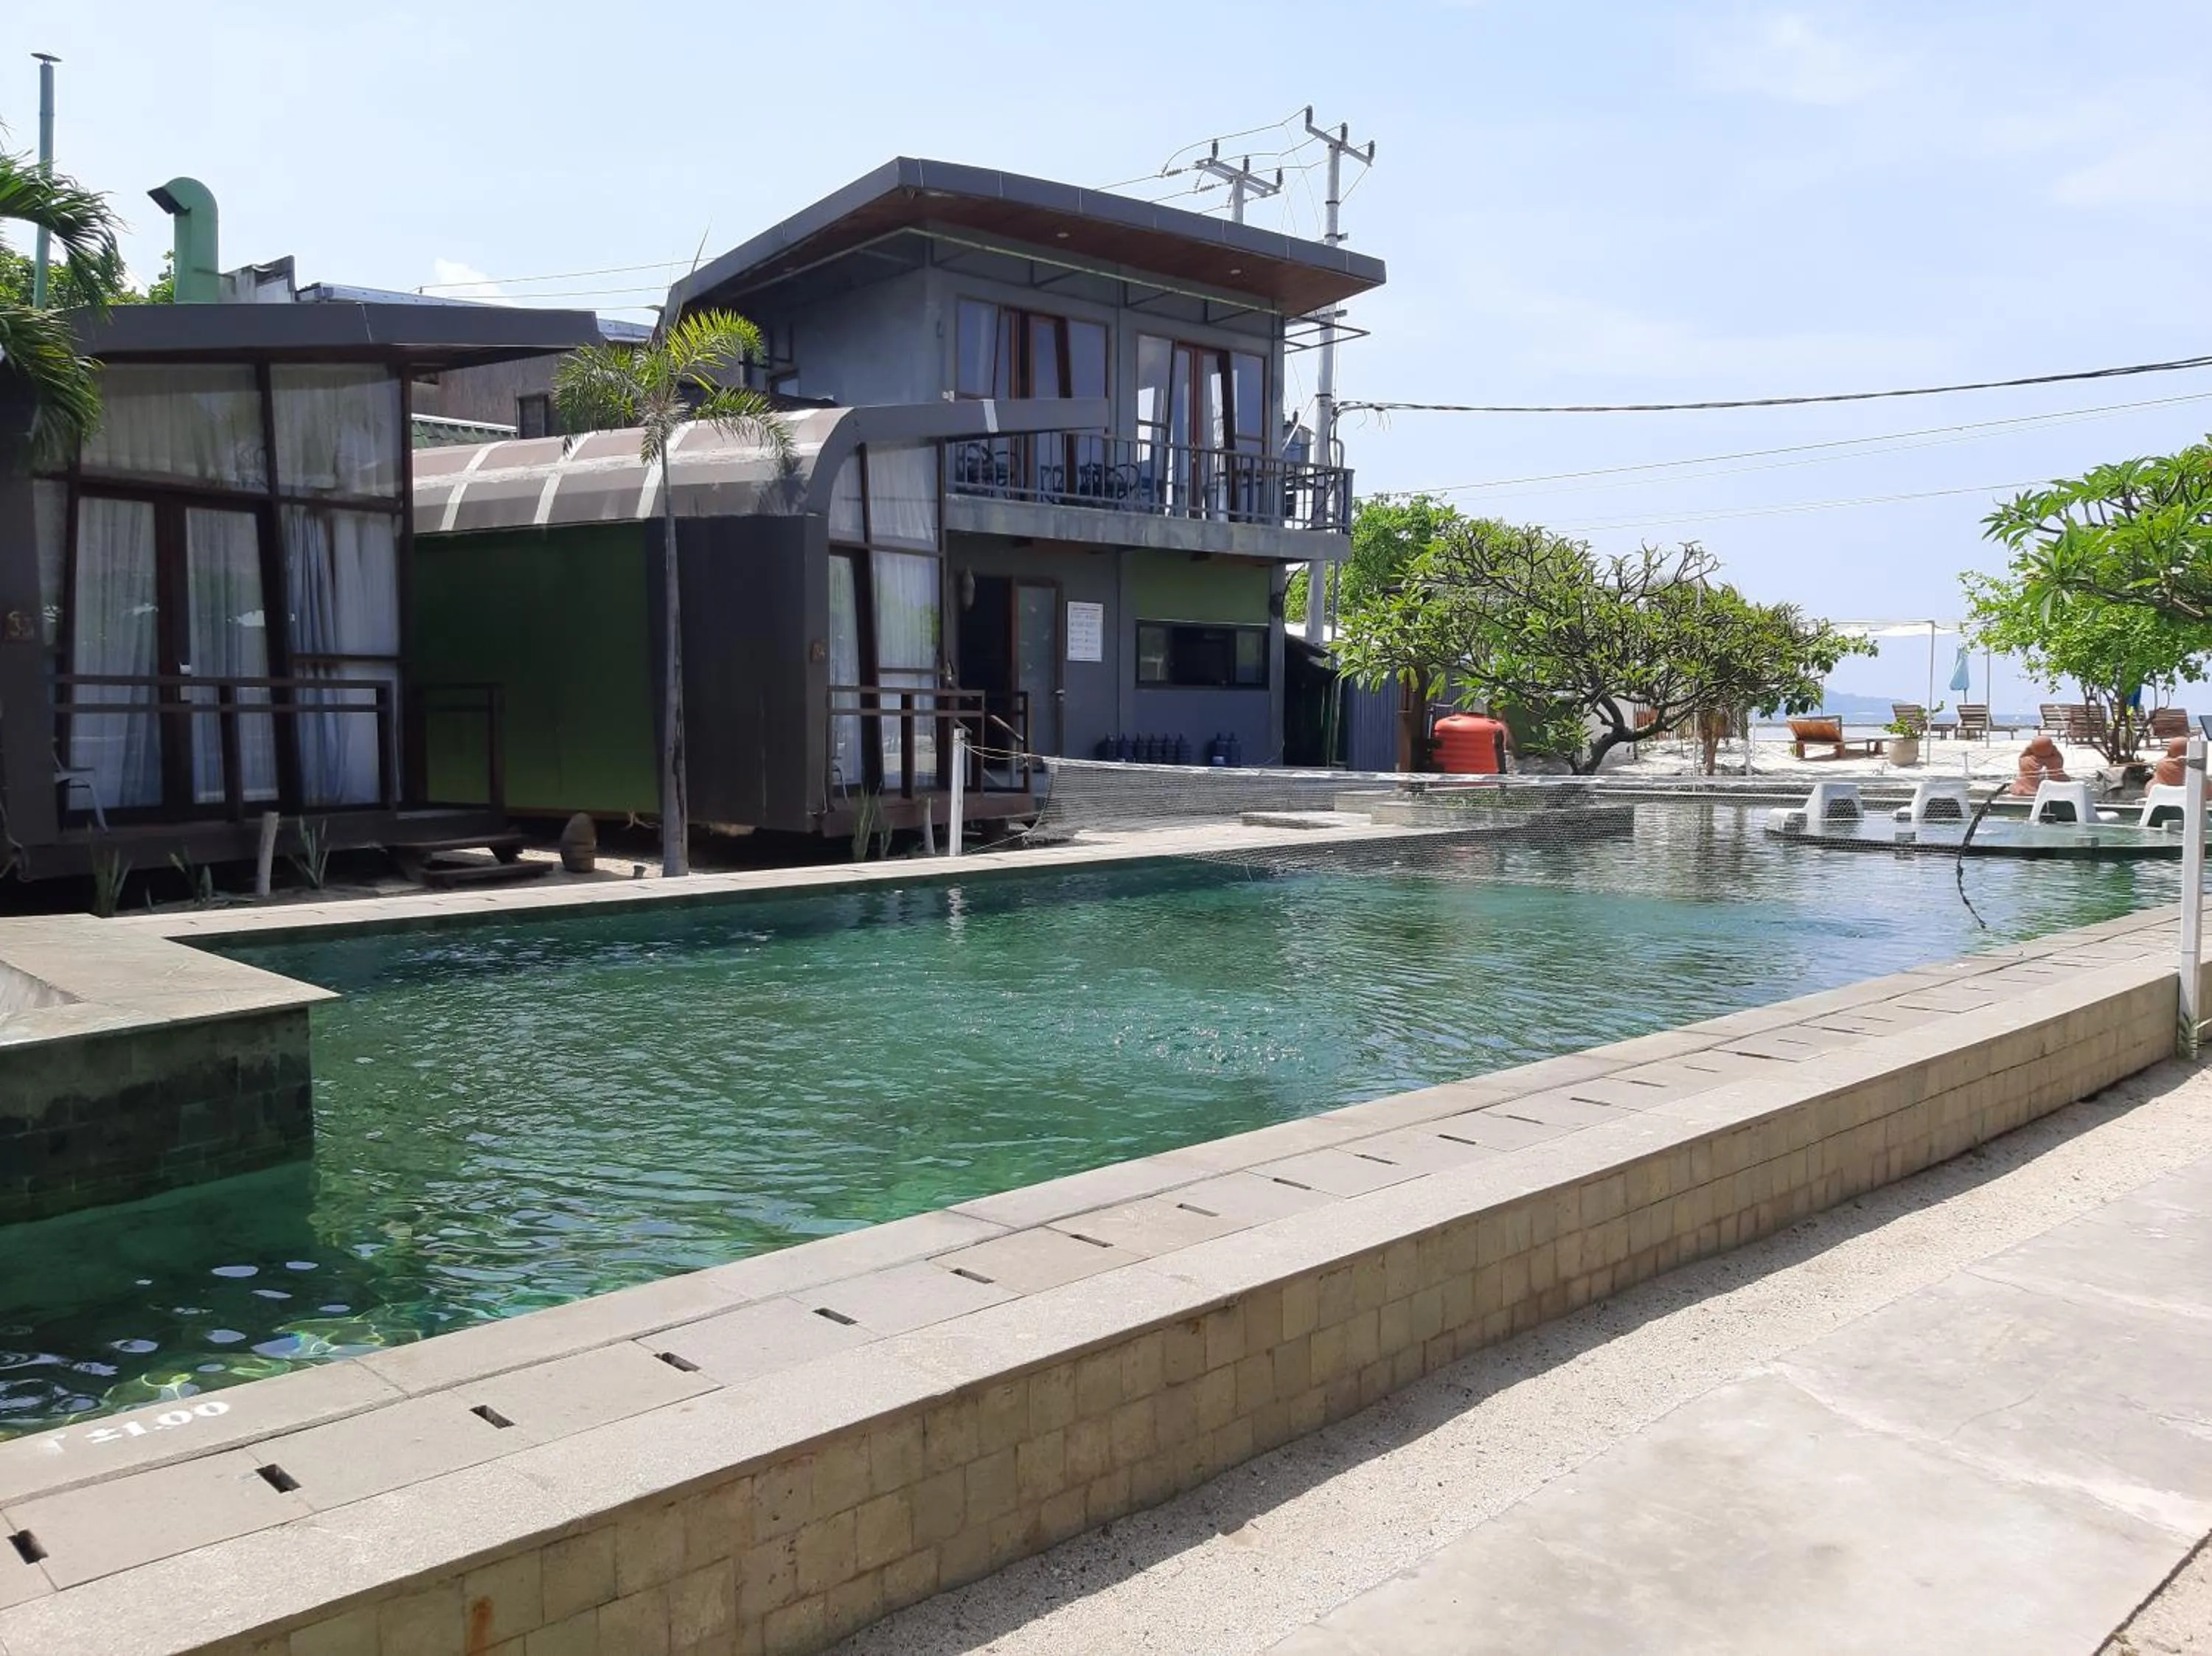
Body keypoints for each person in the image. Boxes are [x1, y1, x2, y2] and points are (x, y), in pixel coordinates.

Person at [2010, 734, 2071, 798]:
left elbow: (2023, 755)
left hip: (2027, 789)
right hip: (2055, 787)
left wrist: (2029, 749)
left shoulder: (2026, 759)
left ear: (2032, 748)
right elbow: (2058, 756)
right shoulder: (2056, 759)